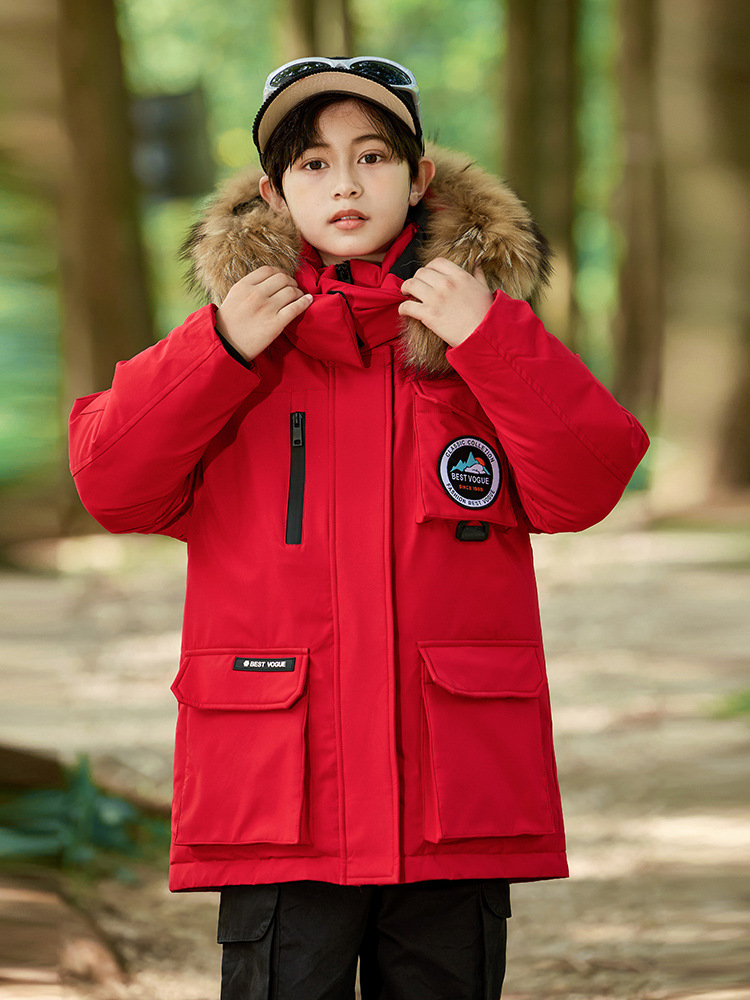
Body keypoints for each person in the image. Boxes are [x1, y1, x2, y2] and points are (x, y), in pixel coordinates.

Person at [69, 56, 649, 1000]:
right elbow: (110, 485)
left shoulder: (476, 344)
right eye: (313, 164)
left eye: (373, 156)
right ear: (273, 192)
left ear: (419, 179)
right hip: (281, 795)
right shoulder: (238, 349)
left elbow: (584, 486)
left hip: (450, 797)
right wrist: (216, 348)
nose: (345, 183)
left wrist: (493, 339)